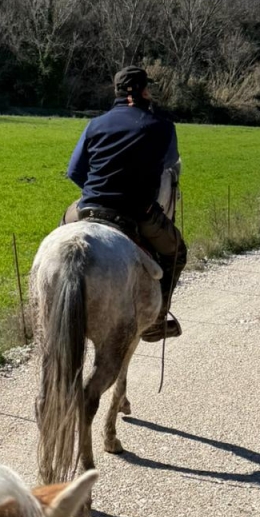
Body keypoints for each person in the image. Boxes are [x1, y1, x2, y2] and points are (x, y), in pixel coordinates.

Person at [62, 66, 187, 341]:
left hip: (90, 205)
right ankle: (155, 321)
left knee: (62, 232)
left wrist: (100, 191)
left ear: (116, 91)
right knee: (176, 252)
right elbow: (168, 165)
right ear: (144, 91)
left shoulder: (95, 124)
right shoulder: (163, 127)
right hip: (136, 210)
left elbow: (74, 171)